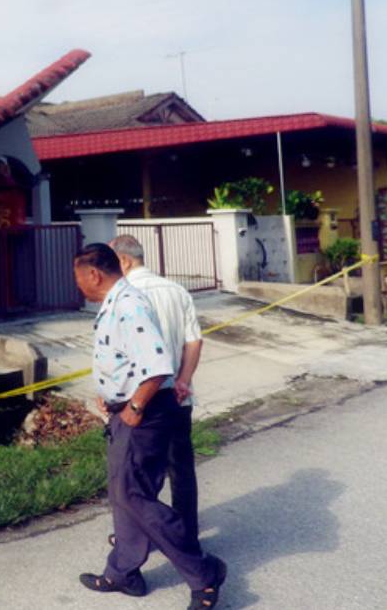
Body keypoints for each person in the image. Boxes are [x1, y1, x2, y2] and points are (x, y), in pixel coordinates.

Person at [72, 243, 225, 609]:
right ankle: (122, 572)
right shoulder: (117, 302)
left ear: (93, 274)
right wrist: (110, 394)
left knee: (133, 495)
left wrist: (134, 405)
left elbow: (156, 366)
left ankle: (203, 574)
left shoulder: (129, 305)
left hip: (143, 412)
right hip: (124, 409)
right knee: (122, 492)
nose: (77, 285)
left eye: (78, 278)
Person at [109, 234, 204, 543]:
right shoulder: (177, 291)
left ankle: (144, 535)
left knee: (141, 471)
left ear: (123, 260)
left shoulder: (125, 295)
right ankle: (187, 532)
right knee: (181, 468)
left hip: (144, 398)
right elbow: (194, 340)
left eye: (112, 262)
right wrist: (184, 380)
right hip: (178, 396)